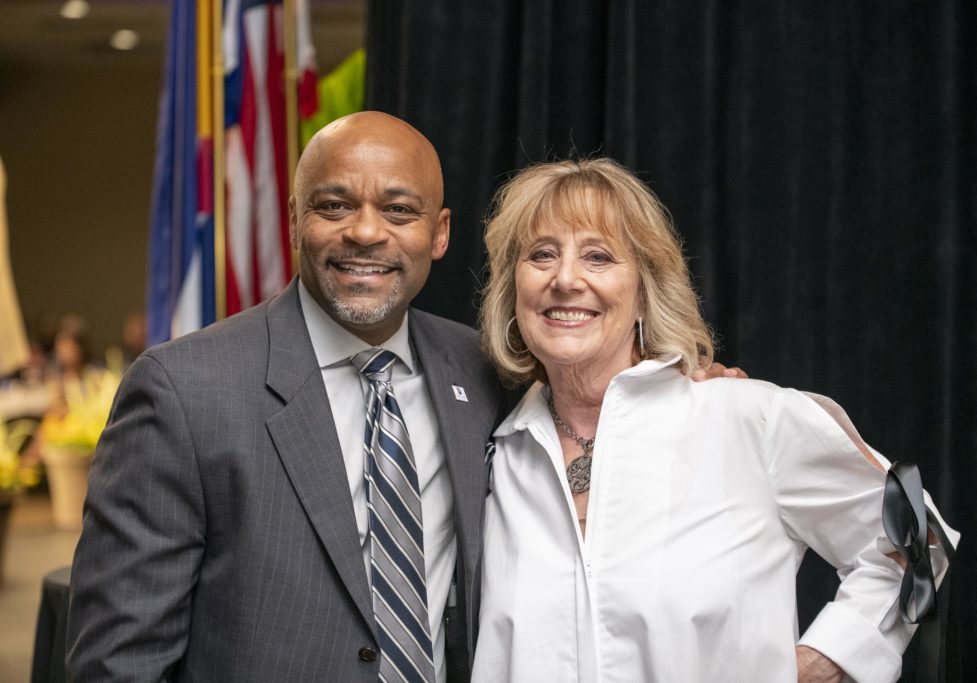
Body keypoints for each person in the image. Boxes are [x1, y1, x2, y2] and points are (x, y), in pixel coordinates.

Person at [66, 112, 740, 682]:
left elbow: (591, 394)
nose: (366, 232)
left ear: (438, 233)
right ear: (295, 218)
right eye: (334, 206)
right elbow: (117, 662)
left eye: (398, 209)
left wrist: (682, 385)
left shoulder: (488, 372)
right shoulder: (184, 391)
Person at [473, 158, 958, 682]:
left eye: (598, 256)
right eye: (542, 255)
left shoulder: (747, 419)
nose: (565, 279)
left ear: (644, 292)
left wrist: (826, 659)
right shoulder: (492, 451)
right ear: (513, 290)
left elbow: (918, 538)